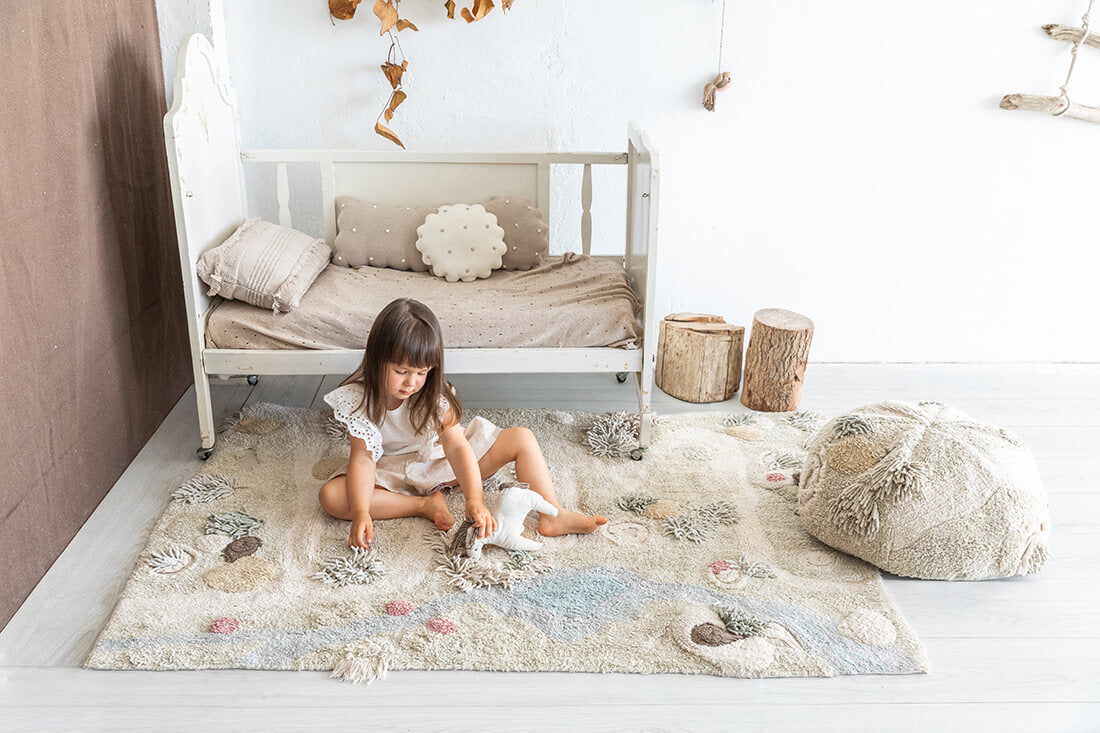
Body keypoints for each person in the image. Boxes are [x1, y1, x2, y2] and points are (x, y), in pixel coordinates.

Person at [318, 297, 608, 549]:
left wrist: (475, 500)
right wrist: (361, 512)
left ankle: (553, 515)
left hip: (439, 464)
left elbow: (456, 448)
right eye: (401, 371)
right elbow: (363, 461)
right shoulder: (357, 399)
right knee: (332, 497)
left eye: (422, 372)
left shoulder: (434, 395)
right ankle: (422, 505)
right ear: (377, 359)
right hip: (389, 475)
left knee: (521, 437)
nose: (412, 382)